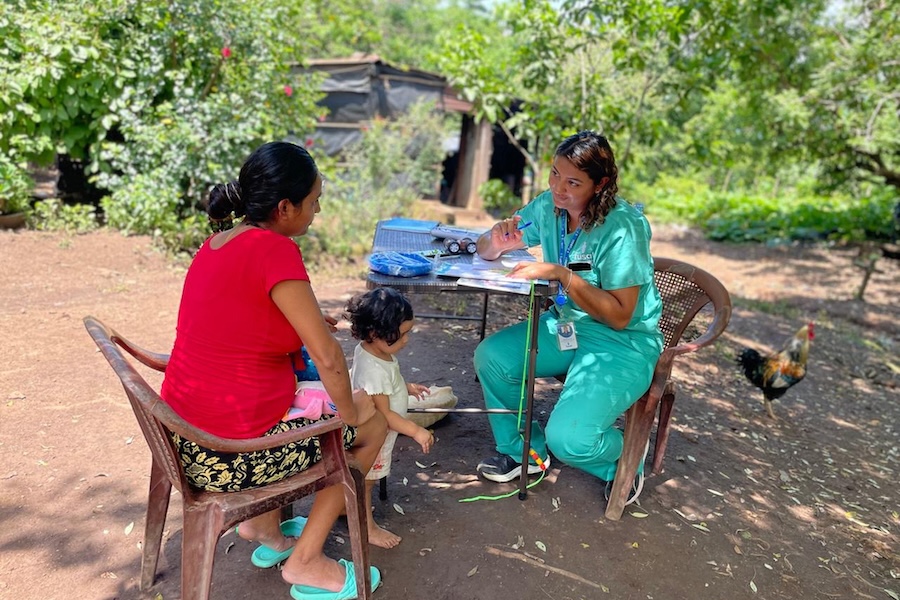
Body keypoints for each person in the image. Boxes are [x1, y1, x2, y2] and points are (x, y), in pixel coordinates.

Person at [160, 141, 387, 598]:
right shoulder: (276, 252)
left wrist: (299, 323)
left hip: (184, 433)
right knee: (373, 421)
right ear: (285, 207)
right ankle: (305, 561)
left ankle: (264, 530)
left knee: (311, 398)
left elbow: (240, 319)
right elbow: (327, 358)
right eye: (314, 201)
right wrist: (351, 412)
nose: (317, 210)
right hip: (228, 456)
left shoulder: (218, 242)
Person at [473, 131, 663, 505]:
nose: (559, 189)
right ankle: (527, 454)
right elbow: (487, 248)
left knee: (572, 439)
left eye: (573, 182)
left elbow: (622, 315)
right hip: (570, 327)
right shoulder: (548, 206)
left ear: (601, 184)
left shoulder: (624, 226)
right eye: (555, 175)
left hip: (623, 341)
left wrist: (563, 275)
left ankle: (625, 459)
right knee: (493, 358)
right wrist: (496, 239)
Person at [345, 288, 435, 548]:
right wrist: (415, 431)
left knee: (365, 480)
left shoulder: (372, 351)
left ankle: (347, 509)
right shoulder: (373, 368)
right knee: (368, 482)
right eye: (402, 334)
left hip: (379, 431)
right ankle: (367, 527)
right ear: (375, 333)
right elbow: (384, 415)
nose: (406, 340)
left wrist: (404, 387)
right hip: (377, 436)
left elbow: (386, 382)